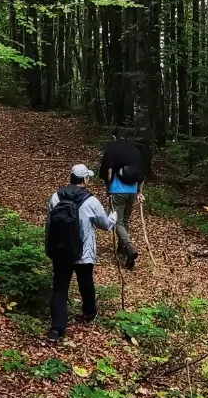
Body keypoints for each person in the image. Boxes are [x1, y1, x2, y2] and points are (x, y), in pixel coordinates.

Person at [45, 163, 116, 343]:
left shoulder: (55, 197)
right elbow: (105, 224)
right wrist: (114, 217)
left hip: (61, 251)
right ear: (84, 179)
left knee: (60, 288)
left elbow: (49, 224)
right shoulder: (91, 201)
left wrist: (50, 248)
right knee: (86, 283)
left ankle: (56, 329)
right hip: (83, 252)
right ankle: (89, 313)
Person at [99, 127, 146, 270]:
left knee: (116, 221)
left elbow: (108, 171)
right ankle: (123, 250)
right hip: (132, 190)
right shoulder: (135, 150)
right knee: (125, 220)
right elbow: (142, 173)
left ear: (115, 137)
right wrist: (139, 192)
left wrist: (108, 188)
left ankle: (129, 247)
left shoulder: (112, 149)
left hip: (118, 189)